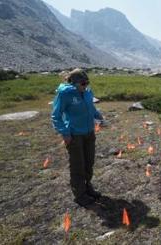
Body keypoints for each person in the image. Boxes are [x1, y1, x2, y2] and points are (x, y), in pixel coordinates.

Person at [51, 68, 103, 207]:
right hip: (74, 135)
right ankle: (80, 195)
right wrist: (65, 133)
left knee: (89, 162)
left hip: (89, 132)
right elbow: (56, 116)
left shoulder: (87, 92)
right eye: (83, 83)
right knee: (77, 165)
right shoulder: (65, 94)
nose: (85, 86)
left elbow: (90, 108)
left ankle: (88, 187)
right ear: (74, 83)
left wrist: (98, 116)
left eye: (87, 83)